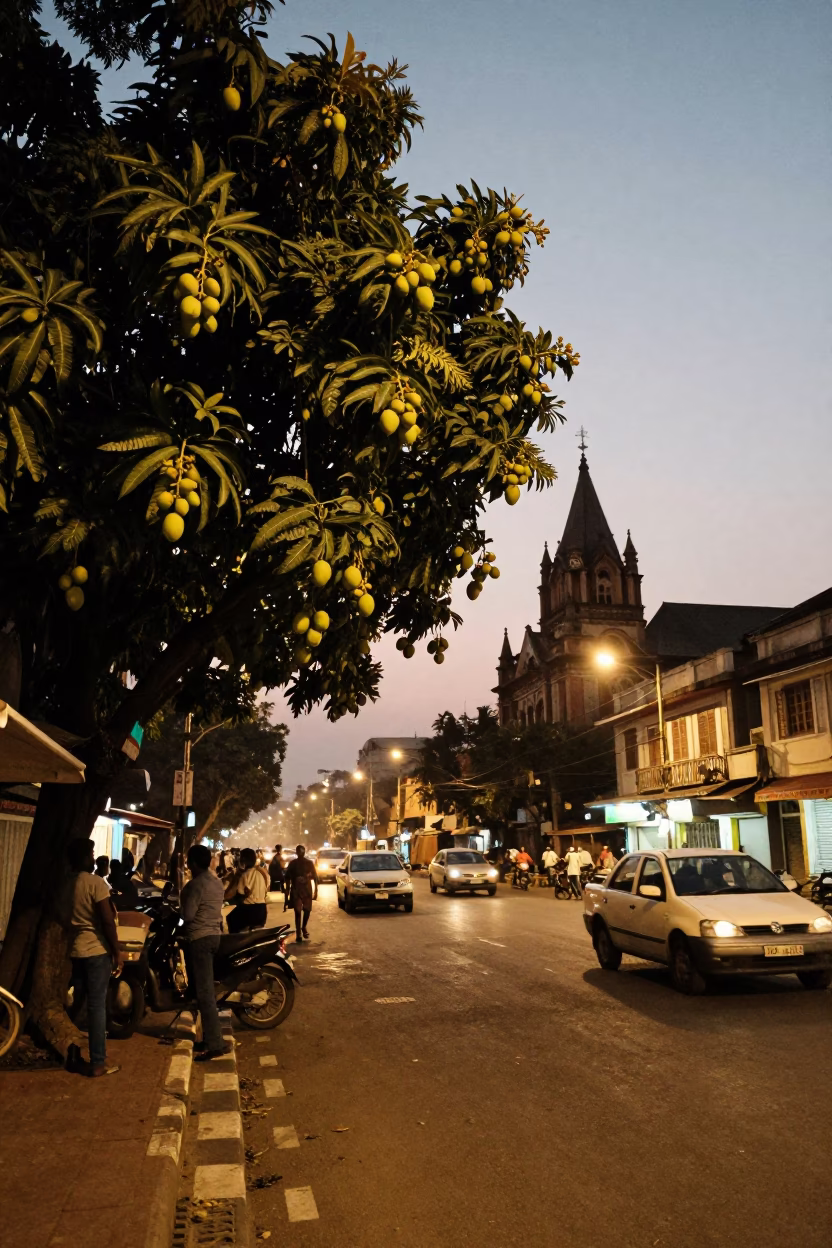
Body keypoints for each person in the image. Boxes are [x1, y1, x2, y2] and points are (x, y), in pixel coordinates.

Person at [63, 838, 123, 1077]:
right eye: (91, 854)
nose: (93, 858)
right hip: (97, 951)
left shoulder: (66, 885)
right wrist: (117, 951)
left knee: (77, 1004)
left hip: (76, 950)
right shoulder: (96, 883)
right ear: (84, 858)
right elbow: (107, 920)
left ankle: (74, 1052)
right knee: (97, 1007)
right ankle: (98, 1061)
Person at [180, 844, 231, 1061]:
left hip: (199, 939)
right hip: (214, 936)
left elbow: (188, 915)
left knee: (204, 993)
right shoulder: (216, 882)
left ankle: (214, 1044)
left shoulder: (195, 885)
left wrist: (180, 908)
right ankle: (211, 1037)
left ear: (192, 863)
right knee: (204, 991)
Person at [225, 848, 270, 932]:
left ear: (243, 860)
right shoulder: (263, 873)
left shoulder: (244, 875)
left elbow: (240, 894)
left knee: (230, 917)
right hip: (262, 910)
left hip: (249, 911)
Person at [284, 844, 318, 943]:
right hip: (296, 890)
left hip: (307, 890)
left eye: (302, 851)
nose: (300, 853)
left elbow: (315, 877)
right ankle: (298, 932)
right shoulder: (292, 864)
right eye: (299, 851)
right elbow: (287, 878)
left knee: (307, 910)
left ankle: (303, 927)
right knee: (297, 912)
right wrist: (286, 895)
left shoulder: (309, 863)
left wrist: (316, 891)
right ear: (297, 852)